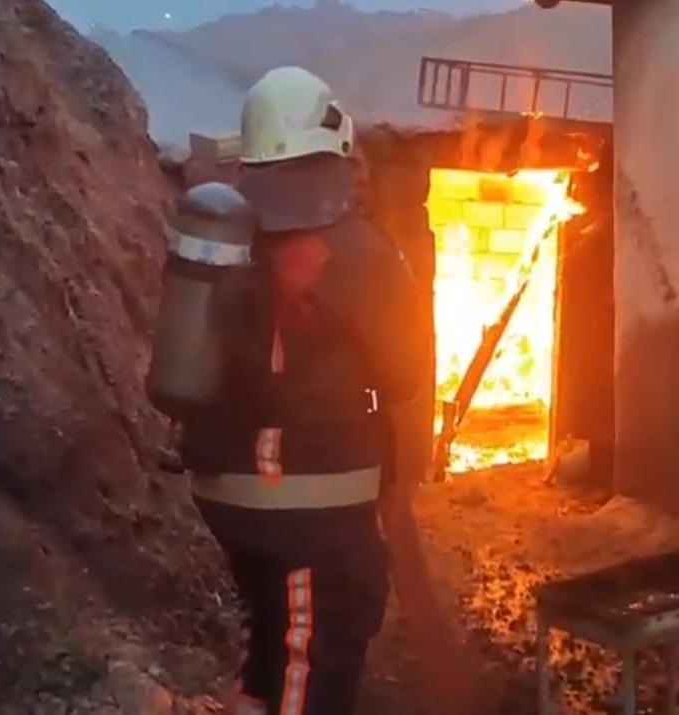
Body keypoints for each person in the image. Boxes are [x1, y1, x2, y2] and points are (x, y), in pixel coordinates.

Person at [176, 66, 465, 715]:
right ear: (333, 145)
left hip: (225, 492)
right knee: (314, 642)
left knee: (271, 636)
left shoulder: (227, 233)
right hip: (308, 504)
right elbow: (405, 375)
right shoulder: (358, 250)